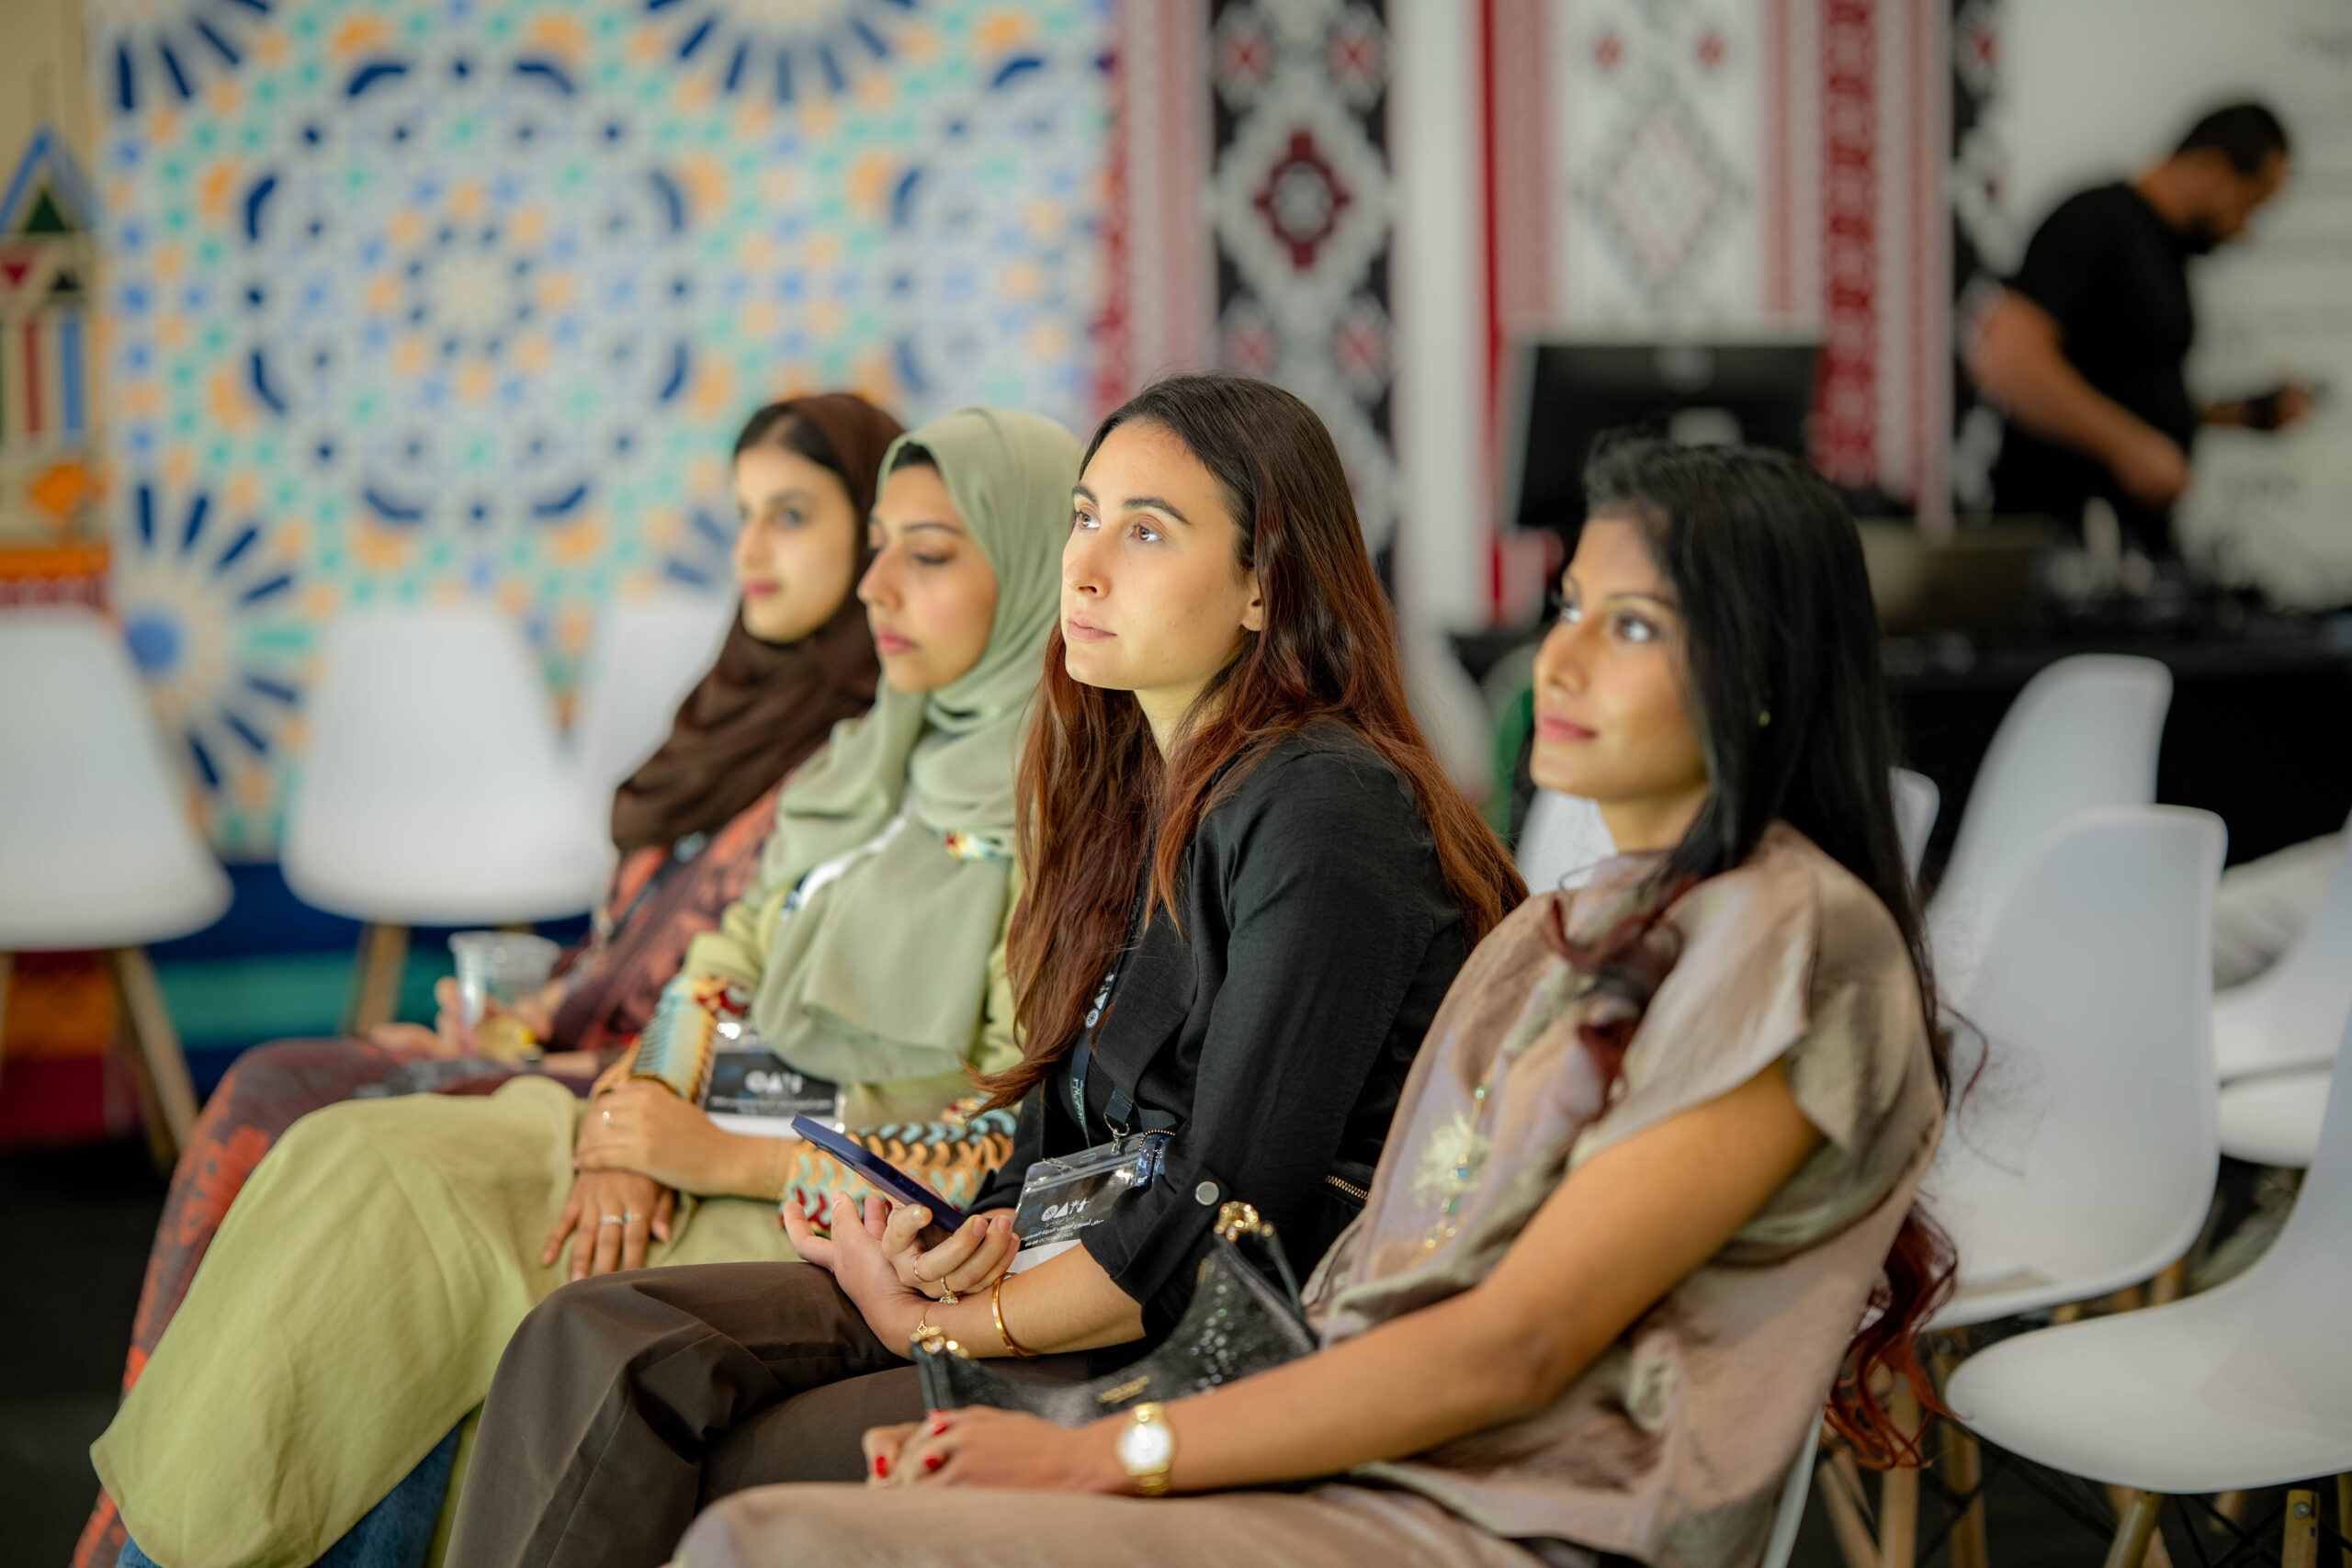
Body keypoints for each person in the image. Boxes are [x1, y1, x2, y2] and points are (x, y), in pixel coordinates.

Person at [672, 433, 1956, 1568]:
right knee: (756, 1495)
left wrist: (1103, 1448)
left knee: (764, 1530)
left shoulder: (1793, 941)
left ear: (1765, 670)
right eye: (1567, 607)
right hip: (1343, 1439)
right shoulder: (1568, 931)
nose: (1555, 660)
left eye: (1630, 627)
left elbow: (1509, 1344)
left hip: (1496, 1513)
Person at [442, 373, 1525, 1568]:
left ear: (1264, 582)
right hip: (1059, 1266)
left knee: (754, 1455)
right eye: (1083, 517)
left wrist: (957, 1322)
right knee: (593, 1327)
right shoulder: (1143, 785)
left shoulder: (1322, 807)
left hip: (1207, 1341)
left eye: (1146, 532)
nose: (1085, 566)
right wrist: (930, 1238)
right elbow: (1058, 1118)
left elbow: (1224, 1210)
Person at [89, 406, 1080, 1568]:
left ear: (1029, 570)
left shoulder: (1060, 820)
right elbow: (715, 969)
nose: (875, 588)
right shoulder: (863, 762)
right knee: (352, 1160)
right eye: (877, 548)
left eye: (930, 554)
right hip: (689, 1118)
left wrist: (713, 1158)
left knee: (449, 1278)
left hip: (808, 1190)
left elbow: (1002, 1138)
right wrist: (631, 1120)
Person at [1971, 101, 2311, 558]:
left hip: (2127, 556)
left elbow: (2127, 391)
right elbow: (2005, 361)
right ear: (2212, 168)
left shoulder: (2164, 251)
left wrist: (2243, 415)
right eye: (2248, 205)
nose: (2244, 230)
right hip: (2064, 548)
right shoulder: (2096, 221)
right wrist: (2129, 447)